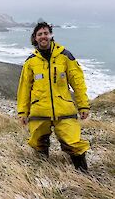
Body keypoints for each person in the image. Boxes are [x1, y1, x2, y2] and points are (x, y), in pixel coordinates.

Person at [17, 22, 90, 172]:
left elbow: (78, 82)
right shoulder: (30, 62)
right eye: (39, 34)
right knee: (38, 142)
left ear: (51, 35)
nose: (43, 36)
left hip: (64, 110)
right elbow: (24, 89)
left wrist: (83, 105)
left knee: (74, 142)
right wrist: (22, 112)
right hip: (39, 111)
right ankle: (43, 173)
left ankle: (83, 175)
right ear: (35, 38)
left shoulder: (65, 56)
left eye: (45, 33)